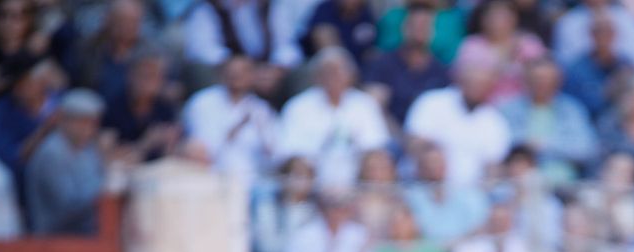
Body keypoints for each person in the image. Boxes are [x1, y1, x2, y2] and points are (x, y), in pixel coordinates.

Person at [276, 47, 390, 189]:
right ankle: (298, 210)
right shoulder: (298, 107)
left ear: (351, 76)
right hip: (312, 182)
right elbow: (288, 152)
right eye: (328, 72)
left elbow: (375, 146)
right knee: (298, 169)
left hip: (357, 182)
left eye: (339, 71)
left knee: (377, 163)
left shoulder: (364, 104)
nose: (334, 77)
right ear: (316, 77)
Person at [404, 60, 513, 187]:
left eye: (482, 84)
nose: (477, 88)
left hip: (471, 195)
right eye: (472, 82)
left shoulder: (495, 121)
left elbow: (494, 165)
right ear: (461, 81)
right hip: (423, 187)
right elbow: (414, 143)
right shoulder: (432, 102)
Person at [498, 58, 598, 183]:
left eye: (546, 79)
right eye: (536, 79)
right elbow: (497, 144)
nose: (541, 84)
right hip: (516, 179)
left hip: (562, 185)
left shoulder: (572, 110)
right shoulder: (508, 109)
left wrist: (545, 145)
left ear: (557, 82)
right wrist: (525, 145)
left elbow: (585, 149)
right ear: (527, 80)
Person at [182, 53, 278, 183]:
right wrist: (236, 127)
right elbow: (200, 151)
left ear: (252, 76)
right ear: (222, 73)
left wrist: (262, 133)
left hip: (254, 181)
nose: (236, 76)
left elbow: (274, 157)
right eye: (232, 71)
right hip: (210, 178)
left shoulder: (261, 109)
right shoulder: (202, 103)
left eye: (243, 72)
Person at [26, 88, 108, 236]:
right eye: (82, 121)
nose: (88, 128)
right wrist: (107, 188)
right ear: (64, 120)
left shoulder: (88, 149)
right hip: (55, 241)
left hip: (85, 235)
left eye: (92, 122)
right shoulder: (52, 153)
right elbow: (69, 207)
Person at [362, 3, 451, 125]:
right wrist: (400, 138)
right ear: (404, 29)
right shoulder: (383, 63)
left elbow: (444, 114)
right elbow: (372, 107)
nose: (419, 31)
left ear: (433, 31)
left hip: (424, 136)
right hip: (389, 134)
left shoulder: (440, 72)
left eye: (425, 26)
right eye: (415, 25)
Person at [453, 0, 546, 104]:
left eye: (504, 17)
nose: (498, 22)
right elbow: (468, 83)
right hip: (483, 107)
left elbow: (543, 77)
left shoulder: (529, 43)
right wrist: (506, 59)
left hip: (523, 108)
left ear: (515, 18)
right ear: (482, 19)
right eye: (492, 17)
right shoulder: (472, 44)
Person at [281, 191, 380, 252]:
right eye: (334, 205)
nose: (338, 211)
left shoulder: (359, 236)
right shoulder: (302, 236)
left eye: (343, 205)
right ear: (323, 207)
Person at [103, 49, 181, 163]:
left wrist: (169, 143)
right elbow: (108, 155)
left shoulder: (165, 106)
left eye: (155, 75)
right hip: (124, 172)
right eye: (145, 75)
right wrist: (146, 143)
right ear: (131, 75)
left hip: (157, 170)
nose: (150, 82)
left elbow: (171, 153)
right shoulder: (115, 105)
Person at [562, 12, 630, 120]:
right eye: (598, 31)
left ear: (615, 34)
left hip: (621, 128)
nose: (603, 36)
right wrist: (608, 92)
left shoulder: (626, 65)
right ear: (591, 34)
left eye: (608, 31)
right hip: (588, 126)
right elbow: (573, 108)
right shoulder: (575, 70)